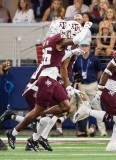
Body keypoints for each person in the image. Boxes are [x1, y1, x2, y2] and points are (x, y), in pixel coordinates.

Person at [5, 20, 93, 150]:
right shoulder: (57, 40)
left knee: (65, 106)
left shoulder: (50, 40)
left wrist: (72, 53)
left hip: (51, 76)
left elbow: (59, 55)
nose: (65, 32)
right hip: (47, 78)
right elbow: (74, 41)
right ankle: (13, 133)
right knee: (38, 112)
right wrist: (85, 28)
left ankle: (36, 130)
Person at [73, 31, 116, 151]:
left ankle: (112, 144)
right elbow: (107, 72)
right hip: (108, 87)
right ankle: (87, 111)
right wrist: (99, 90)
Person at [73, 40, 108, 136]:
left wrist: (97, 84)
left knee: (97, 108)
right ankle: (85, 130)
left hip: (92, 84)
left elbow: (100, 73)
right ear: (80, 47)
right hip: (82, 85)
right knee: (84, 107)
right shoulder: (77, 59)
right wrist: (78, 83)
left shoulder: (95, 59)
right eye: (82, 46)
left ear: (89, 47)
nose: (84, 48)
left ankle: (103, 131)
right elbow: (75, 72)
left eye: (86, 46)